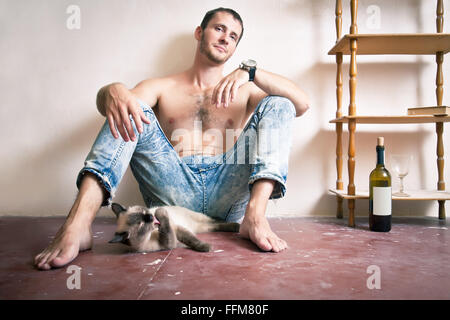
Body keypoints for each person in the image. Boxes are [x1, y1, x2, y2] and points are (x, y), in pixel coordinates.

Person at [34, 7, 309, 270]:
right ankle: (78, 224)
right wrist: (112, 91)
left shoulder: (246, 90)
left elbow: (300, 104)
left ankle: (256, 217)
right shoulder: (162, 86)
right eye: (219, 29)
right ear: (200, 33)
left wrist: (252, 71)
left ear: (236, 48)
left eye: (233, 36)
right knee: (131, 104)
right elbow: (107, 106)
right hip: (171, 191)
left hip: (228, 189)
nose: (226, 37)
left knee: (279, 103)